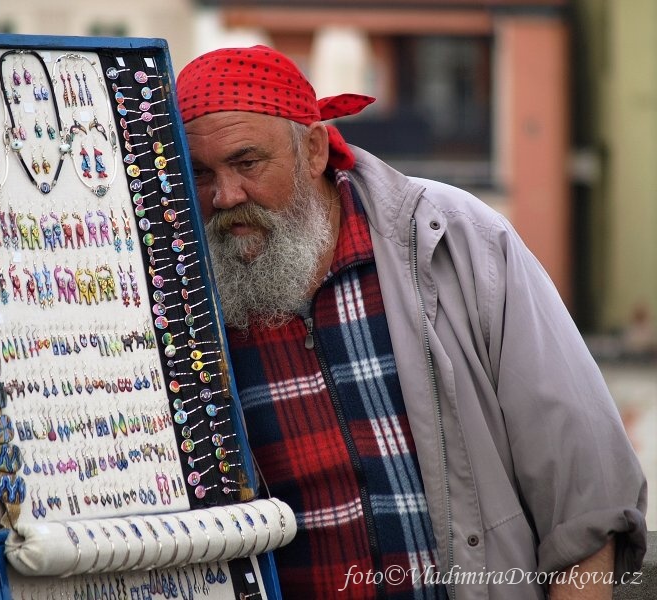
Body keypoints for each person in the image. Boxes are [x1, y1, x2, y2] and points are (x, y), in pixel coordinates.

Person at [175, 46, 647, 600]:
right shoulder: (184, 302)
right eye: (200, 173)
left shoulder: (454, 240)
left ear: (314, 150)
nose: (225, 196)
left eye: (247, 163)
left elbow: (584, 497)